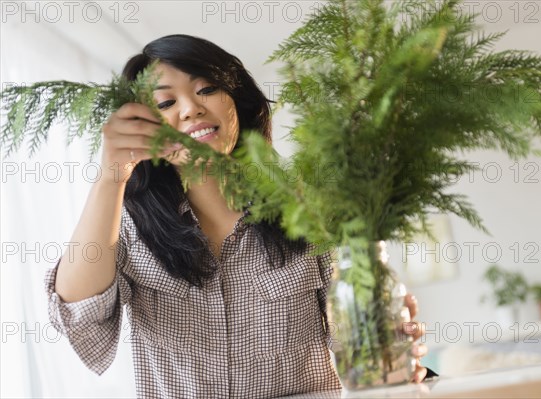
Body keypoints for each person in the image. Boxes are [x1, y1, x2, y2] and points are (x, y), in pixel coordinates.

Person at [44, 34, 431, 398]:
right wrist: (111, 177)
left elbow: (361, 344)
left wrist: (393, 351)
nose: (190, 108)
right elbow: (81, 316)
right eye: (165, 104)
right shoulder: (125, 223)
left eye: (207, 89)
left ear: (237, 103)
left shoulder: (312, 207)